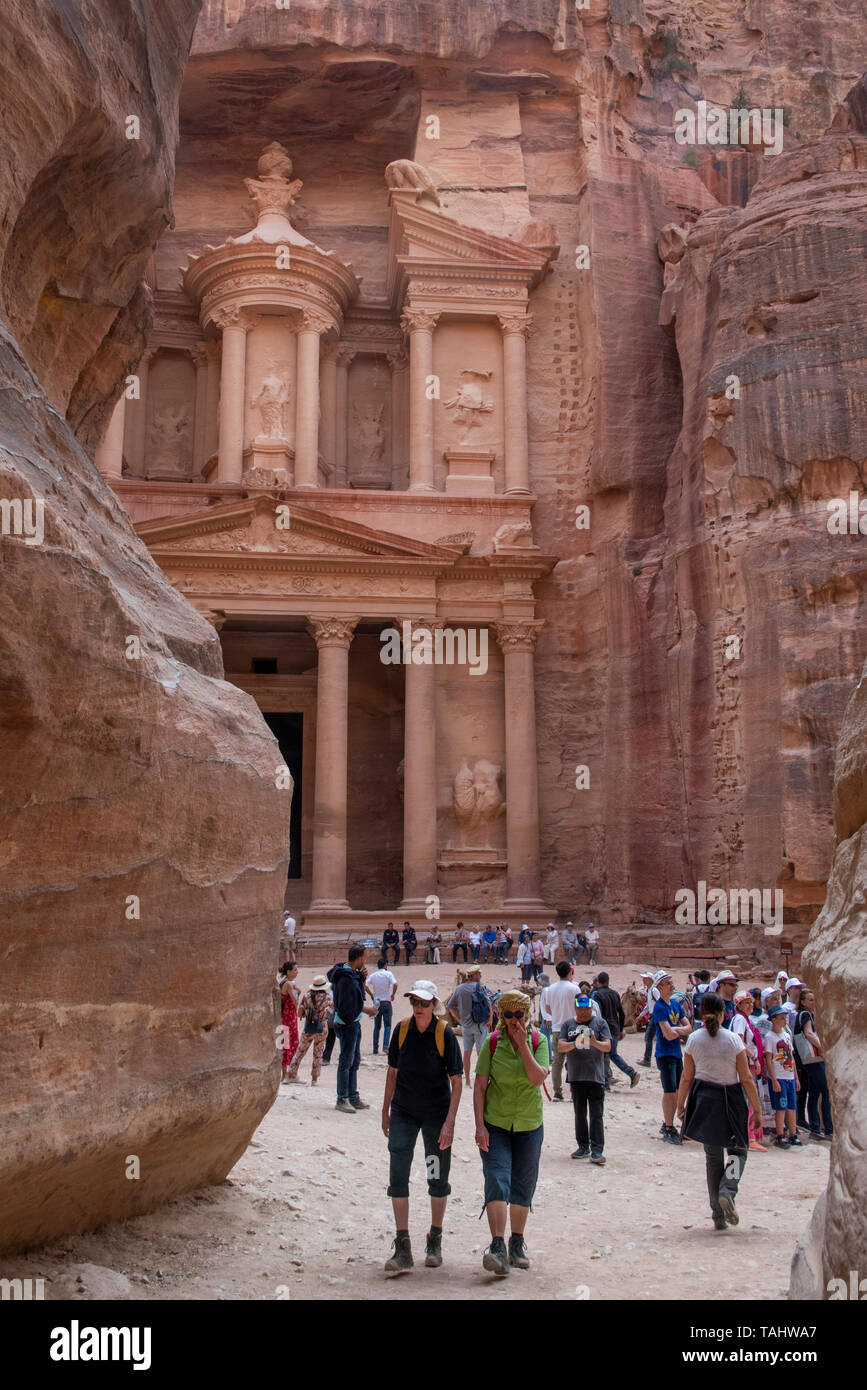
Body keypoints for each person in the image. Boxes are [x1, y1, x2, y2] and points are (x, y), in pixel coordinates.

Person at [382, 980, 463, 1275]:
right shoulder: (401, 1030)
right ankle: (402, 1245)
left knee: (436, 1175)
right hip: (403, 1112)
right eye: (415, 1002)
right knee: (398, 1176)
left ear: (434, 1006)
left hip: (435, 1117)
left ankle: (435, 1238)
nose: (418, 1008)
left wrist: (449, 1122)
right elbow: (392, 1072)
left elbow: (457, 1081)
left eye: (424, 1003)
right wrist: (385, 1109)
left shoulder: (444, 1034)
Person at [474, 990, 549, 1276]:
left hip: (529, 1124)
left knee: (523, 1184)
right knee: (496, 1178)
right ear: (501, 1017)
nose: (515, 1020)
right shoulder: (492, 1043)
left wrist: (523, 1046)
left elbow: (536, 1078)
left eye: (519, 1015)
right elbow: (480, 1086)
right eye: (509, 1015)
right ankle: (497, 1246)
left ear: (527, 1015)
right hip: (497, 1124)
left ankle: (516, 1243)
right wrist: (479, 1126)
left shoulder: (538, 1040)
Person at [676, 992, 762, 1230]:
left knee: (713, 1159)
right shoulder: (733, 1040)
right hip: (731, 1100)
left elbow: (687, 1077)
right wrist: (756, 1109)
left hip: (704, 1099)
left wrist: (680, 1105)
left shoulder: (693, 1039)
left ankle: (718, 1216)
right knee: (739, 1151)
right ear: (724, 1013)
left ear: (702, 1015)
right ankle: (728, 1189)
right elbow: (745, 1078)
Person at [559, 994, 611, 1163]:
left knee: (596, 1114)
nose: (584, 1012)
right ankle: (583, 1146)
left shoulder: (600, 1023)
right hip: (576, 1076)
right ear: (575, 1009)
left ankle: (597, 1150)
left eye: (587, 1009)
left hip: (596, 1076)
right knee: (579, 1114)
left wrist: (594, 1042)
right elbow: (560, 1046)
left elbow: (608, 1046)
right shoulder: (568, 1024)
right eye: (581, 1009)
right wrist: (575, 1042)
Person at [327, 946, 378, 1113]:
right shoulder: (346, 978)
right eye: (364, 957)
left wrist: (361, 979)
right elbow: (348, 1003)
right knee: (346, 1061)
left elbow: (356, 996)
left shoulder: (350, 975)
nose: (365, 960)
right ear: (359, 958)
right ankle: (342, 1098)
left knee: (354, 1061)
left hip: (352, 1022)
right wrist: (366, 1010)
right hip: (347, 1023)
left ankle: (352, 1096)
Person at [652, 970, 691, 1144]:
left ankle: (669, 1123)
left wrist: (675, 1031)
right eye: (667, 983)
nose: (671, 985)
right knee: (670, 1091)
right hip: (665, 1053)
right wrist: (677, 1031)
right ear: (660, 987)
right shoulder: (659, 1007)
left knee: (677, 1090)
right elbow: (668, 1034)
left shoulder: (675, 1004)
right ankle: (668, 1125)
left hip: (675, 1052)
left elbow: (689, 1027)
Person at [794, 989, 833, 1139]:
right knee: (826, 1091)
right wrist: (824, 1049)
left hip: (809, 1060)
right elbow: (809, 1033)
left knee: (815, 1092)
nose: (813, 1003)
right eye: (810, 1000)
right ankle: (828, 1129)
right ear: (803, 1002)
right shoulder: (805, 1015)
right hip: (814, 1059)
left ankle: (815, 1129)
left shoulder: (806, 1015)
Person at [731, 991, 766, 1151]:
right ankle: (750, 1137)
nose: (750, 1005)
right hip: (745, 1064)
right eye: (746, 1003)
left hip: (746, 1063)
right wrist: (754, 1057)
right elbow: (739, 1040)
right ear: (738, 1005)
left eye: (751, 1002)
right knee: (748, 1099)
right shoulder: (740, 1019)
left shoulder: (744, 1019)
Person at [446, 966, 493, 1087]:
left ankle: (467, 1081)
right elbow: (489, 1004)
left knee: (466, 1053)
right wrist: (491, 1019)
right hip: (480, 1025)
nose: (481, 975)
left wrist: (459, 1020)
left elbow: (450, 1006)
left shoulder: (459, 989)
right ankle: (481, 1079)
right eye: (479, 973)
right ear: (475, 975)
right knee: (481, 1053)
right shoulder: (480, 987)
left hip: (466, 1026)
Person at [592, 971, 640, 1090]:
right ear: (608, 981)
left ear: (598, 982)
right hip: (614, 1028)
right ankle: (631, 1073)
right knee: (612, 1054)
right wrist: (620, 1029)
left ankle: (605, 1084)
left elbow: (598, 1013)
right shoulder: (615, 994)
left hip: (604, 1029)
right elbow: (621, 1013)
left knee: (602, 1055)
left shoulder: (597, 995)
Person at [764, 1005, 802, 1147]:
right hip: (779, 1076)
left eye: (784, 1017)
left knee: (791, 1106)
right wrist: (773, 1079)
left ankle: (793, 1134)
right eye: (780, 1018)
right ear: (773, 1020)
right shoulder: (769, 1037)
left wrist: (796, 1078)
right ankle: (780, 1135)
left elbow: (791, 1058)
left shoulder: (786, 1035)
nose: (784, 1020)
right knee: (781, 1107)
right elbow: (768, 1059)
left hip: (789, 1076)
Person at [542, 962, 580, 1101]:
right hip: (573, 1028)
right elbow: (579, 1008)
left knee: (557, 1062)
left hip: (557, 1028)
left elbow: (547, 1009)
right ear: (570, 972)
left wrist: (557, 1014)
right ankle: (574, 1092)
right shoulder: (575, 988)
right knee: (574, 1061)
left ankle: (557, 1092)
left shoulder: (550, 989)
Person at [284, 975, 330, 1085]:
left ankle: (291, 1074)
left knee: (300, 1051)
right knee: (318, 1053)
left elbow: (300, 1013)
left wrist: (308, 1015)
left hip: (309, 1027)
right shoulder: (327, 998)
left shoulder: (307, 996)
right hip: (322, 1027)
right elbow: (332, 1009)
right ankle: (314, 1079)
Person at [366, 956, 398, 1055]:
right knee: (387, 1025)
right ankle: (385, 1046)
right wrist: (393, 994)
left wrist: (371, 994)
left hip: (377, 1003)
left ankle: (375, 1048)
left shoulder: (373, 975)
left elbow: (365, 985)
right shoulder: (388, 974)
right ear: (385, 965)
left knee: (377, 1026)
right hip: (387, 1002)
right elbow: (395, 984)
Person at [279, 961, 301, 1082]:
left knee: (285, 1043)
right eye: (295, 970)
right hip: (288, 1018)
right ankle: (288, 1075)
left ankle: (286, 1074)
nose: (297, 972)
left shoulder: (286, 983)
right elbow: (295, 1001)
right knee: (288, 1044)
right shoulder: (287, 984)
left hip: (286, 1017)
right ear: (288, 971)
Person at [638, 969, 659, 1066]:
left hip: (656, 1016)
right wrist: (641, 1015)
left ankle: (647, 1060)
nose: (643, 980)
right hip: (653, 1016)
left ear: (651, 980)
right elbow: (648, 1005)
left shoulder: (654, 990)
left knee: (648, 1037)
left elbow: (659, 1002)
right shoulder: (650, 990)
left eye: (645, 978)